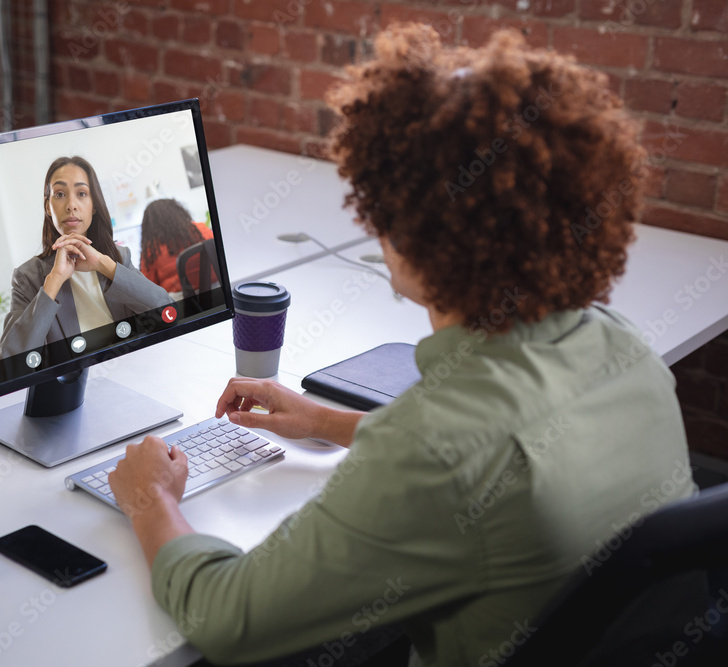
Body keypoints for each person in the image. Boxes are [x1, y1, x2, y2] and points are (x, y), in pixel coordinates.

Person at [107, 24, 698, 667]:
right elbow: (500, 454)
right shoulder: (621, 346)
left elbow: (228, 619)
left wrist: (153, 500)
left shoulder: (437, 450)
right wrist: (328, 421)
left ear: (415, 232)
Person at [0, 156, 171, 360]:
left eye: (81, 193)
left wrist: (104, 265)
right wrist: (53, 281)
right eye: (60, 194)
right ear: (47, 208)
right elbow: (8, 364)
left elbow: (167, 312)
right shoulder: (28, 276)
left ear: (94, 205)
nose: (71, 205)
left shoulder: (118, 258)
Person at [139, 198, 215, 297]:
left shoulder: (152, 249)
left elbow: (148, 288)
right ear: (179, 213)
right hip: (216, 290)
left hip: (182, 303)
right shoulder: (201, 229)